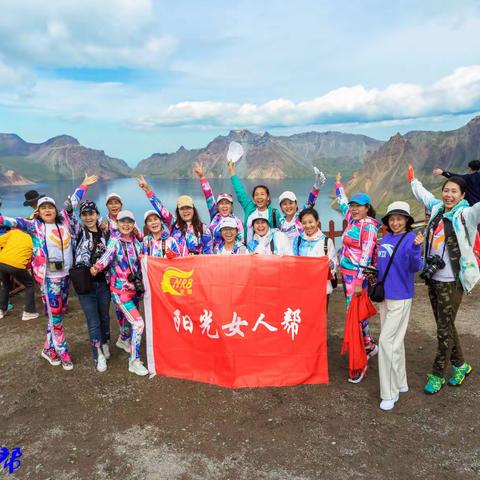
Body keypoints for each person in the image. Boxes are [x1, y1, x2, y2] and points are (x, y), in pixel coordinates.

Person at [0, 173, 97, 370]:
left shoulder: (65, 224)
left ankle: (47, 349)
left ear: (55, 210)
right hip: (48, 280)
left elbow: (74, 201)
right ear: (38, 211)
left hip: (65, 278)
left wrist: (84, 184)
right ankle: (63, 352)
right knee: (57, 318)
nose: (47, 210)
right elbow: (8, 221)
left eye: (50, 207)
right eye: (43, 207)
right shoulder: (34, 226)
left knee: (57, 315)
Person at [408, 165, 480, 394]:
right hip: (434, 278)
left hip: (452, 280)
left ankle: (438, 373)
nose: (449, 195)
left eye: (454, 192)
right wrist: (413, 180)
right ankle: (461, 365)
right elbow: (424, 195)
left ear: (462, 196)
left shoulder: (465, 214)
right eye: (446, 190)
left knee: (442, 328)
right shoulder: (438, 208)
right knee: (446, 324)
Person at [375, 201, 424, 411]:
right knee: (396, 342)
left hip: (401, 297)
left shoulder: (411, 239)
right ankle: (401, 382)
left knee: (386, 342)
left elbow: (416, 266)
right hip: (385, 296)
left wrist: (415, 249)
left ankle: (389, 393)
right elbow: (382, 266)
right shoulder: (386, 238)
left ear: (406, 220)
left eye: (399, 218)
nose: (395, 222)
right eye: (392, 219)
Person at [91, 210, 148, 377]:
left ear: (133, 224)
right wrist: (97, 267)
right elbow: (107, 256)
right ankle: (134, 361)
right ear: (118, 223)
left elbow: (143, 262)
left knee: (127, 322)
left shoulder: (136, 244)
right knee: (138, 323)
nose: (126, 225)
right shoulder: (115, 241)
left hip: (134, 291)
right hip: (120, 292)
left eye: (130, 222)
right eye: (123, 221)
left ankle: (123, 339)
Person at [335, 172, 379, 383]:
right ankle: (368, 344)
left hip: (356, 278)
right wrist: (338, 185)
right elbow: (342, 202)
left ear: (367, 208)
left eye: (358, 205)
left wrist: (360, 282)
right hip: (346, 275)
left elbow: (367, 254)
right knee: (355, 313)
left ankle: (360, 362)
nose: (353, 208)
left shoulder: (369, 227)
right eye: (353, 205)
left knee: (355, 316)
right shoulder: (352, 220)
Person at [71, 200, 111, 372]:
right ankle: (98, 354)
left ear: (97, 214)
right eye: (85, 214)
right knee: (93, 320)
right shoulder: (78, 231)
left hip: (103, 283)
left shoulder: (105, 233)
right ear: (81, 217)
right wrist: (83, 187)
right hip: (85, 284)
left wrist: (106, 222)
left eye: (91, 214)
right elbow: (67, 212)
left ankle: (105, 341)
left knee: (104, 317)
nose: (88, 217)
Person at [137, 175, 213, 256]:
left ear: (193, 209)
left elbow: (209, 254)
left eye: (188, 208)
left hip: (195, 266)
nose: (185, 211)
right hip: (175, 267)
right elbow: (160, 208)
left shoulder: (203, 229)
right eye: (182, 209)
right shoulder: (173, 224)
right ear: (178, 211)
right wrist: (148, 190)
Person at [292, 207, 337, 303]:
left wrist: (329, 265)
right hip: (302, 286)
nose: (308, 226)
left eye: (311, 222)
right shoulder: (298, 240)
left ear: (317, 222)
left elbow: (334, 262)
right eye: (304, 223)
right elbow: (293, 261)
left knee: (321, 316)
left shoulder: (326, 241)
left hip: (322, 286)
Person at [228, 161, 280, 243]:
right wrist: (232, 172)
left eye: (262, 194)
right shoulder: (249, 208)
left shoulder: (274, 213)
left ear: (268, 197)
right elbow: (240, 192)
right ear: (253, 198)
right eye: (256, 194)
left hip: (267, 253)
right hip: (249, 251)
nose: (259, 197)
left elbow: (279, 234)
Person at [194, 162, 244, 245]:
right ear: (217, 206)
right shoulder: (215, 215)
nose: (224, 205)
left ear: (231, 206)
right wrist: (202, 177)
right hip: (213, 254)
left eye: (227, 203)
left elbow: (241, 241)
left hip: (230, 255)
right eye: (221, 203)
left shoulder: (237, 222)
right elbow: (208, 196)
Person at [277, 170, 326, 245]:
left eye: (291, 203)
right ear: (281, 207)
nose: (288, 206)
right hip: (286, 254)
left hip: (301, 252)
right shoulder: (280, 222)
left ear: (296, 204)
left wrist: (316, 188)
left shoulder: (300, 216)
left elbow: (310, 203)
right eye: (284, 204)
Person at [0, 227, 38, 321]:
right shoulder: (35, 239)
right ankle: (29, 312)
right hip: (17, 264)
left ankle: (1, 310)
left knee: (5, 284)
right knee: (30, 284)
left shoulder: (14, 232)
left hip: (2, 262)